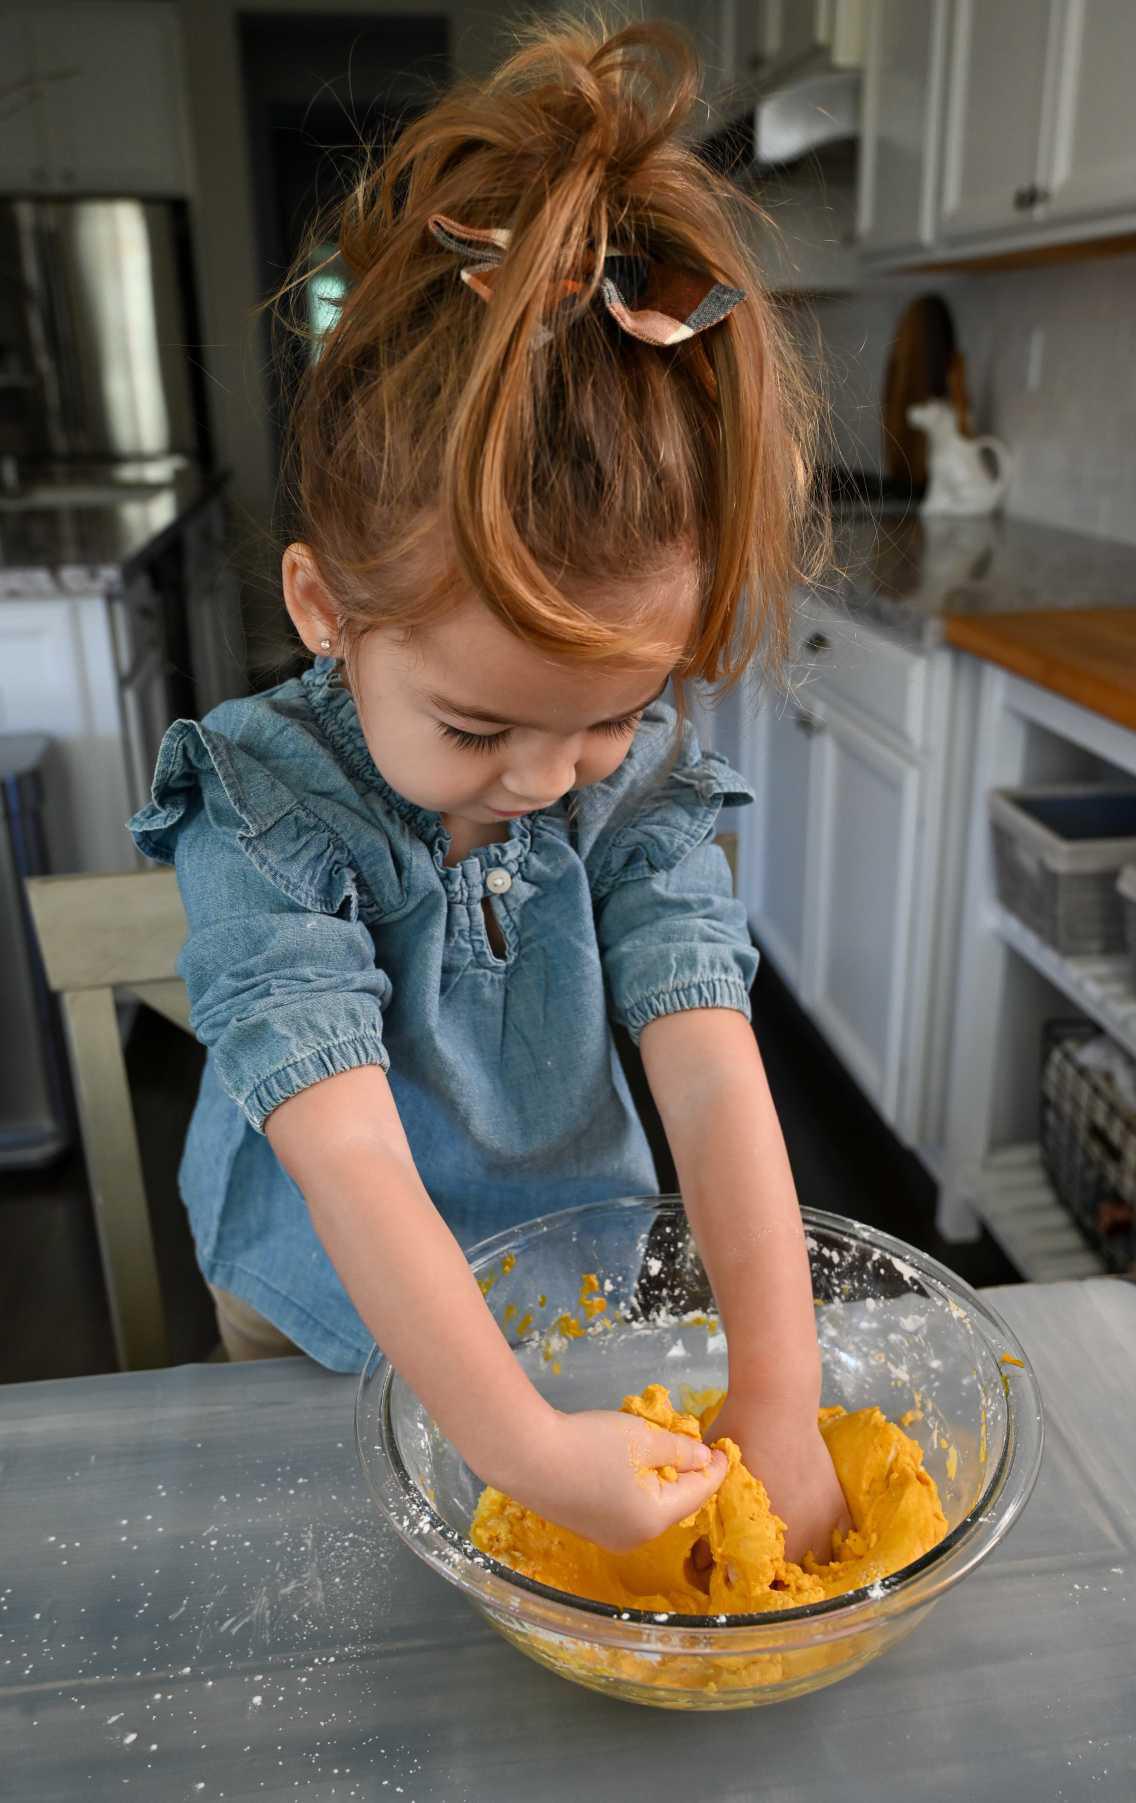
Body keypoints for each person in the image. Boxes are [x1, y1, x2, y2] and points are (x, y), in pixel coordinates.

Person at [130, 16, 848, 1561]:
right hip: (315, 1313)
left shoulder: (629, 789)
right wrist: (516, 1444)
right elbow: (350, 1159)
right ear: (327, 611)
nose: (542, 780)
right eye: (472, 730)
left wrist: (778, 1395)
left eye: (610, 720)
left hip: (567, 1303)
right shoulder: (264, 810)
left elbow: (714, 1073)